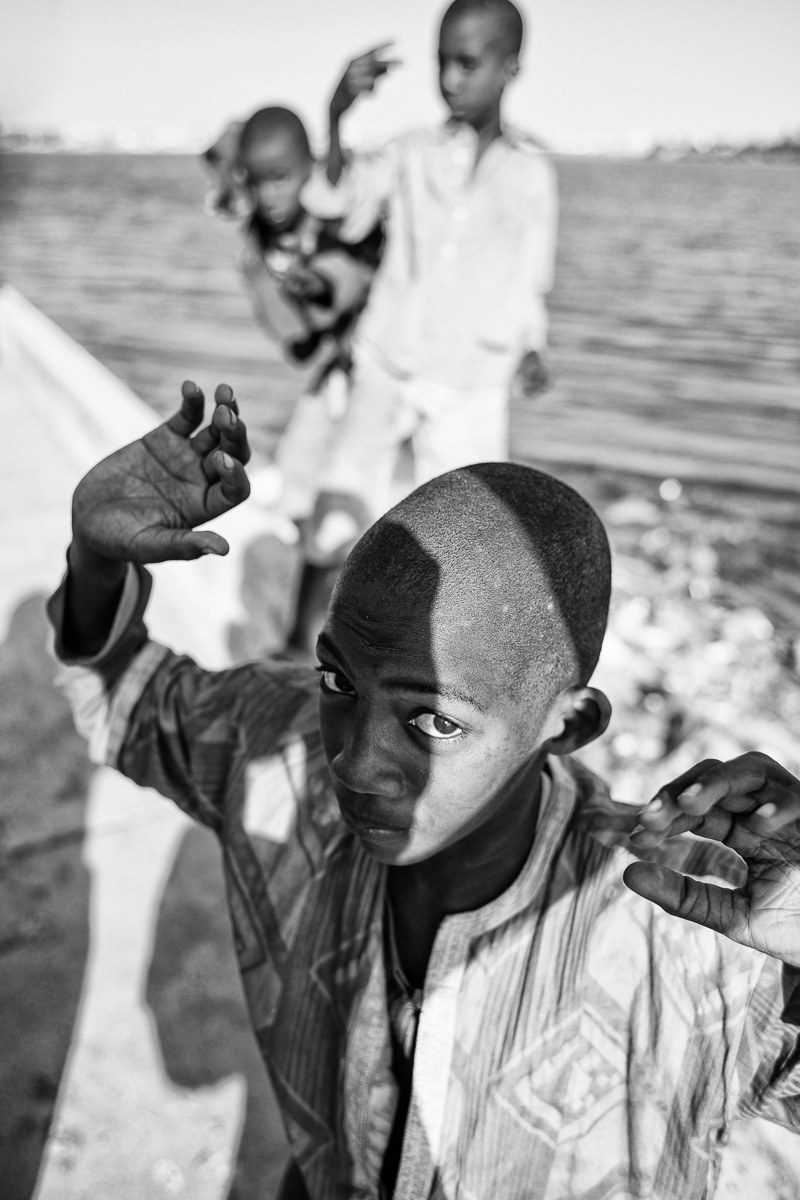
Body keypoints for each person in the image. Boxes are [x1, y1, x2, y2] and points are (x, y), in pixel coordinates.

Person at [48, 384, 800, 1199]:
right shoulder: (279, 750)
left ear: (569, 724)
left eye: (435, 722)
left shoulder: (692, 936)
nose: (355, 764)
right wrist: (97, 558)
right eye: (338, 677)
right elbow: (132, 700)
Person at [301, 0, 558, 565]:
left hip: (472, 378)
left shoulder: (531, 174)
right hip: (388, 359)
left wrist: (531, 348)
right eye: (441, 62)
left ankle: (430, 650)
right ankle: (304, 641)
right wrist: (336, 112)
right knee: (337, 514)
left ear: (510, 68)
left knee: (466, 539)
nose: (448, 79)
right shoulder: (410, 152)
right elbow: (335, 201)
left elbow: (530, 280)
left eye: (466, 63)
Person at [203, 106, 383, 654]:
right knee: (305, 494)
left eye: (283, 177)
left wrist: (322, 285)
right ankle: (306, 637)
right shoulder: (258, 245)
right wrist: (272, 282)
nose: (272, 195)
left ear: (309, 168)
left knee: (343, 503)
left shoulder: (335, 206)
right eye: (258, 182)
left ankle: (314, 637)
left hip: (378, 364)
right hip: (332, 369)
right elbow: (297, 345)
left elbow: (354, 274)